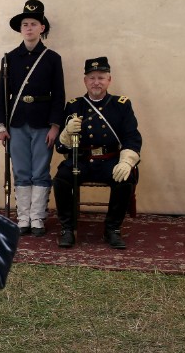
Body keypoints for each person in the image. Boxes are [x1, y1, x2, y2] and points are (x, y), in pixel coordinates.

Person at [53, 57, 142, 249]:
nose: (96, 82)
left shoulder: (121, 104)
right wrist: (67, 133)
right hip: (81, 160)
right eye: (92, 78)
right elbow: (61, 149)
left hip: (110, 160)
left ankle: (112, 229)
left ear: (109, 80)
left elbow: (132, 137)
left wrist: (126, 161)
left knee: (125, 179)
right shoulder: (74, 105)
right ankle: (67, 229)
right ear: (85, 81)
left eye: (101, 77)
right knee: (61, 179)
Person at [0, 0, 65, 236]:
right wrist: (0, 125)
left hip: (43, 123)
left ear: (42, 28)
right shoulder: (9, 58)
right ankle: (23, 218)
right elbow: (2, 95)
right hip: (17, 123)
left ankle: (38, 218)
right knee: (21, 171)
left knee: (41, 171)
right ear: (20, 28)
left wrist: (55, 126)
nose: (29, 27)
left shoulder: (53, 58)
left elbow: (59, 95)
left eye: (34, 23)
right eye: (25, 24)